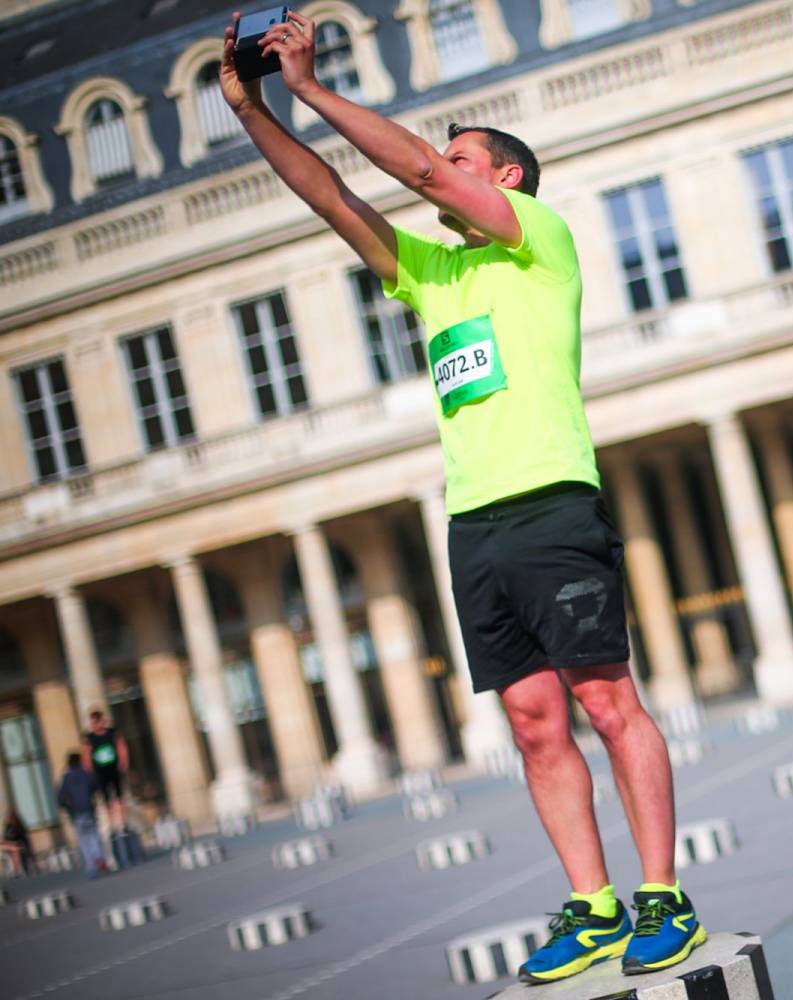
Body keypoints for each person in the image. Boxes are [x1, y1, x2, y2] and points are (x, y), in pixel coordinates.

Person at [219, 12, 699, 980]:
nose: (438, 164)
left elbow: (422, 178)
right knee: (532, 721)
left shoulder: (539, 240)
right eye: (444, 153)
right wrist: (254, 109)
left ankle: (663, 895)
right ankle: (594, 902)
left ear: (504, 177)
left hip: (554, 503)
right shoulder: (431, 274)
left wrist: (314, 89)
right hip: (475, 523)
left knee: (608, 702)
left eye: (460, 154)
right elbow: (329, 196)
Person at [57, 752, 105, 879]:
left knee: (83, 841)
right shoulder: (87, 774)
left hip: (76, 813)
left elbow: (61, 797)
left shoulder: (66, 778)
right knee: (94, 835)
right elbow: (96, 787)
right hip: (89, 809)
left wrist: (67, 809)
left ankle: (91, 867)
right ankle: (98, 856)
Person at [82, 709, 128, 832]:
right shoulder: (90, 738)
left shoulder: (112, 733)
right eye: (93, 723)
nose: (95, 725)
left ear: (102, 721)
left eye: (97, 722)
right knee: (106, 799)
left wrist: (123, 762)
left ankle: (123, 822)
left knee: (119, 796)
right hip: (100, 772)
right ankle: (113, 824)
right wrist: (89, 772)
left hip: (113, 768)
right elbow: (86, 755)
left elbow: (121, 747)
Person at [1, 808, 34, 877]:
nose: (10, 819)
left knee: (17, 852)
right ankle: (17, 870)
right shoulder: (8, 826)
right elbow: (5, 838)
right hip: (10, 846)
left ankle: (19, 870)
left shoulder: (19, 825)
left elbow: (23, 837)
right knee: (15, 852)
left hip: (19, 845)